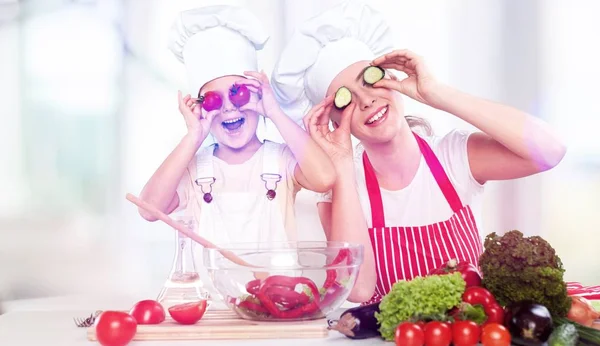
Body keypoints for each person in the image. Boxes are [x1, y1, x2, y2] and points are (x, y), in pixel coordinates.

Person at [270, 0, 566, 304]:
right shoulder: (340, 188)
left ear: (392, 78)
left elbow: (550, 150)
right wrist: (341, 163)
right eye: (345, 101)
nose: (367, 101)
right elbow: (358, 289)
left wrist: (436, 93)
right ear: (333, 121)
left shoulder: (452, 156)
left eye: (370, 81)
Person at [138, 5, 336, 249]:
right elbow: (149, 209)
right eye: (214, 100)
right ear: (200, 107)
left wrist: (275, 112)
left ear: (257, 96)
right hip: (212, 288)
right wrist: (193, 137)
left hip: (275, 287)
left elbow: (325, 178)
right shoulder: (194, 169)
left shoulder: (281, 159)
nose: (229, 108)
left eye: (238, 94)